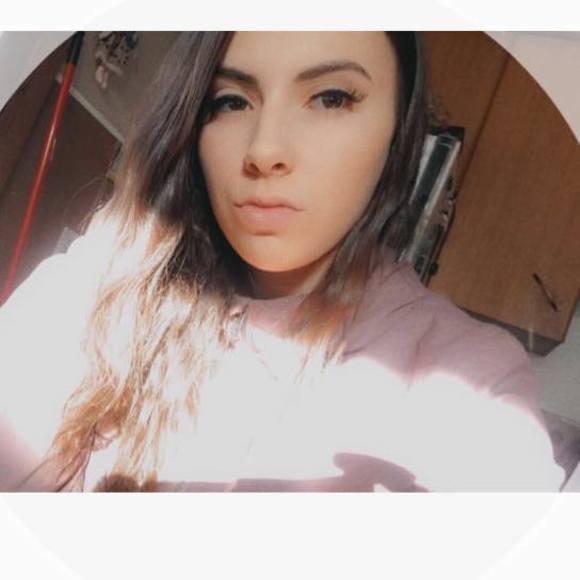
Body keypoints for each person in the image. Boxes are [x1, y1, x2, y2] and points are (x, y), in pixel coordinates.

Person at [0, 31, 565, 492]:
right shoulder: (104, 277)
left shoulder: (464, 379)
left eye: (331, 98)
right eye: (230, 101)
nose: (264, 149)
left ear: (398, 134)